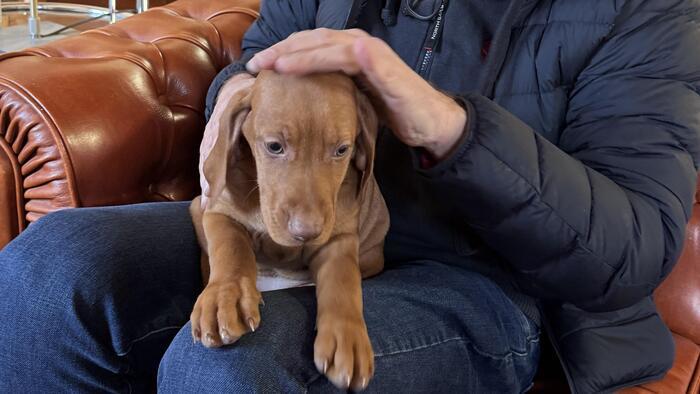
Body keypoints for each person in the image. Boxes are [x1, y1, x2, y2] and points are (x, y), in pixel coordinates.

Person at [1, 0, 698, 392]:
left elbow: (629, 252)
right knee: (48, 267)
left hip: (492, 284)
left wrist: (450, 128)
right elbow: (258, 62)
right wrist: (240, 91)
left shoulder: (646, 13)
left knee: (235, 363)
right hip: (289, 234)